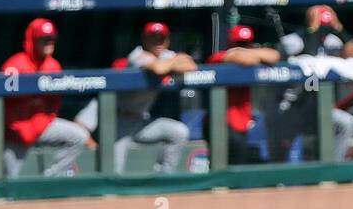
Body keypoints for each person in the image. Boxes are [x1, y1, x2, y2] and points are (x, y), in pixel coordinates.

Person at [1, 18, 90, 178]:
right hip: (17, 130)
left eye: (52, 39)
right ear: (33, 40)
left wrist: (43, 121)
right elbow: (5, 103)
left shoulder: (53, 66)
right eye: (44, 39)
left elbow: (54, 103)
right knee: (8, 185)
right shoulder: (14, 65)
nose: (49, 43)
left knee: (79, 136)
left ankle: (50, 178)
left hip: (41, 125)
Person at [272, 5, 353, 163]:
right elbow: (309, 58)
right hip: (289, 108)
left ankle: (333, 169)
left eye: (327, 29)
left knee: (346, 122)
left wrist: (339, 28)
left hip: (316, 108)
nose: (324, 34)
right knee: (279, 154)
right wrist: (312, 30)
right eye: (322, 29)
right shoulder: (294, 41)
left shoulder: (331, 40)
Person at [114, 22, 193, 174]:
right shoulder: (136, 55)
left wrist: (173, 60)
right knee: (114, 172)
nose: (158, 42)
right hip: (119, 122)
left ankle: (164, 176)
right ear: (144, 40)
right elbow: (158, 68)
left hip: (142, 121)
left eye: (161, 38)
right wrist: (173, 62)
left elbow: (190, 65)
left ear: (168, 40)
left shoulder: (165, 55)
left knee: (179, 132)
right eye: (153, 38)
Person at [209, 24, 282, 164]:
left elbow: (274, 55)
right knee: (222, 165)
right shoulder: (218, 57)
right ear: (230, 43)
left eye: (246, 43)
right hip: (221, 122)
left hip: (241, 121)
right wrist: (249, 53)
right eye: (239, 43)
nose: (243, 47)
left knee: (238, 164)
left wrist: (248, 51)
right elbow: (245, 59)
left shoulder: (250, 53)